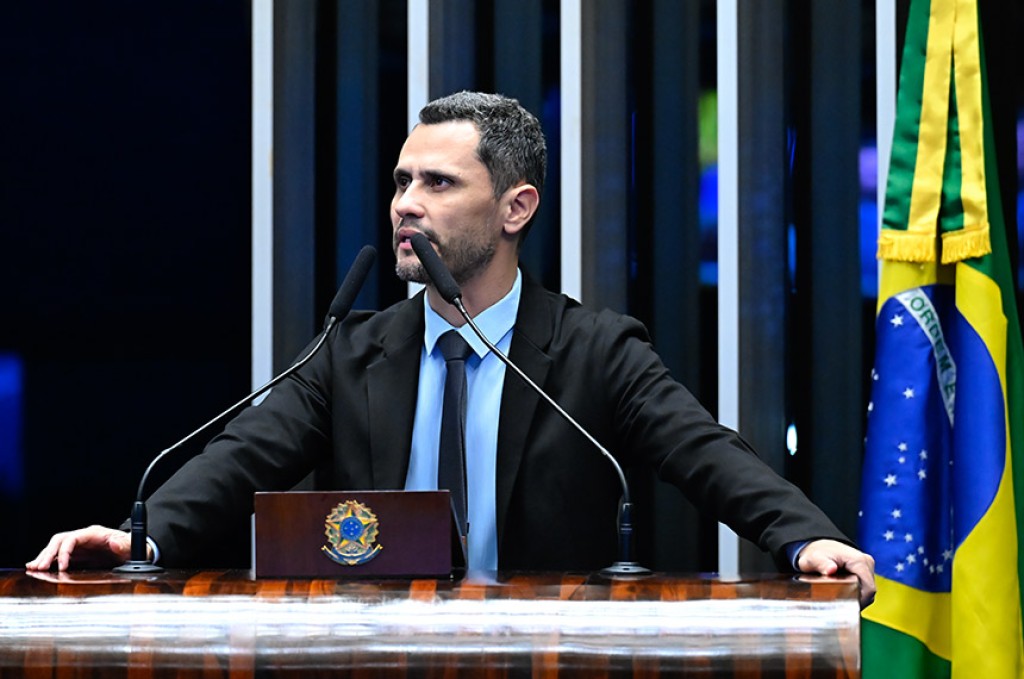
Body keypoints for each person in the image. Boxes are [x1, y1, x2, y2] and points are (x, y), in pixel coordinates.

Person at [27, 91, 876, 607]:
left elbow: (706, 453)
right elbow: (238, 458)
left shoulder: (593, 350)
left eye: (438, 183)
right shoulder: (350, 351)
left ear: (515, 208)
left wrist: (804, 538)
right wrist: (141, 537)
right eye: (403, 181)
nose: (406, 203)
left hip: (544, 656)